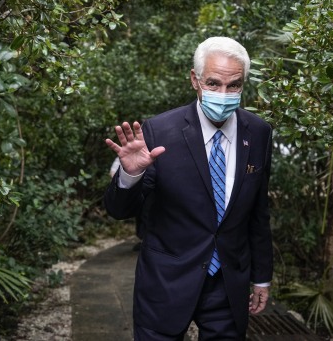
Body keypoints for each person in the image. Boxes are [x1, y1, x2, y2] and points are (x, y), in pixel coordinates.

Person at [104, 36, 273, 340]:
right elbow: (119, 211)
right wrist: (130, 177)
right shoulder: (158, 131)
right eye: (213, 83)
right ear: (195, 80)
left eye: (234, 85)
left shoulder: (259, 133)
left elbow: (258, 213)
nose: (223, 94)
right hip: (166, 283)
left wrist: (262, 277)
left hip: (227, 285)